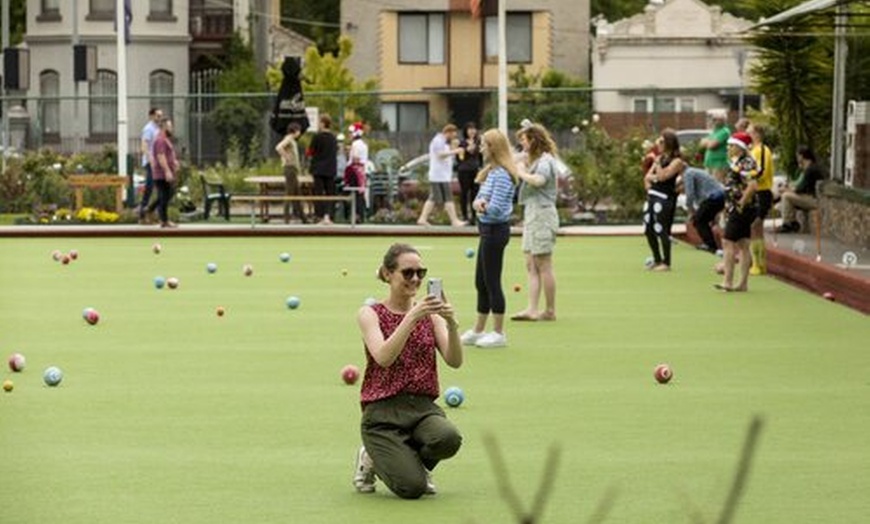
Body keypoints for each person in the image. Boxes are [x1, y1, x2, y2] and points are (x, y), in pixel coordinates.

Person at [352, 243, 463, 499]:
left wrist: (452, 324)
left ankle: (410, 461)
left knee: (448, 438)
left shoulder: (431, 316)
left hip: (422, 409)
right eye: (408, 273)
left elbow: (454, 361)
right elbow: (383, 357)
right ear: (388, 274)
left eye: (420, 273)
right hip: (382, 413)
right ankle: (371, 457)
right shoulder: (370, 314)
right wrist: (411, 317)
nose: (415, 279)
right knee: (412, 489)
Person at [460, 129, 519, 348]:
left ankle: (498, 333)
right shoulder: (492, 173)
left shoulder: (503, 175)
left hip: (495, 231)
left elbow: (495, 208)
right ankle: (478, 329)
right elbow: (480, 199)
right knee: (481, 282)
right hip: (486, 231)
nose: (481, 148)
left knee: (492, 282)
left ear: (493, 148)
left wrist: (481, 207)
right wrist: (480, 204)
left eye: (484, 144)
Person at [510, 123, 559, 322]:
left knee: (543, 264)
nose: (521, 143)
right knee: (531, 264)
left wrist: (521, 172)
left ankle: (549, 310)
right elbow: (511, 159)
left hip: (543, 215)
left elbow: (539, 181)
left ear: (533, 140)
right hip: (532, 214)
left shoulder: (546, 161)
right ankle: (531, 309)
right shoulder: (533, 159)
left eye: (524, 139)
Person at [716, 132, 759, 292]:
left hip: (742, 208)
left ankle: (728, 281)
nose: (729, 148)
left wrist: (741, 202)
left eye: (732, 145)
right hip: (735, 208)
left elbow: (753, 185)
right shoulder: (738, 161)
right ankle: (742, 283)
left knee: (728, 242)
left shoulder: (747, 162)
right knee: (743, 243)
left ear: (740, 147)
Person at [642, 129, 684, 271]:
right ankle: (657, 259)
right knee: (649, 229)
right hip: (652, 196)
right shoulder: (660, 158)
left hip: (664, 198)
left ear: (668, 143)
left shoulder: (676, 161)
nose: (658, 144)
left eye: (661, 141)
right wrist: (654, 178)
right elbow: (647, 177)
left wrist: (658, 167)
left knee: (661, 229)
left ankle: (666, 262)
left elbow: (662, 177)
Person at [417, 124, 466, 227]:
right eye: (453, 135)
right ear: (448, 132)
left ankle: (423, 218)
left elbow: (446, 153)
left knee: (434, 198)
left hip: (443, 175)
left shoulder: (444, 142)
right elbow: (440, 155)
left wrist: (453, 147)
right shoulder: (438, 141)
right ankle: (454, 220)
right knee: (448, 197)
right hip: (439, 175)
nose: (453, 137)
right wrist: (455, 151)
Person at [777, 145, 825, 233]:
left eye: (797, 156)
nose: (797, 158)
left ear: (801, 156)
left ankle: (789, 223)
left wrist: (787, 190)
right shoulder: (808, 168)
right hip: (809, 196)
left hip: (813, 199)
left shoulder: (810, 170)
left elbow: (801, 188)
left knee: (786, 196)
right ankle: (791, 222)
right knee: (785, 198)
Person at [748, 123, 775, 275]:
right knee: (756, 229)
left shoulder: (763, 150)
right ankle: (759, 263)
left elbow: (761, 172)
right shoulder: (753, 150)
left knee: (755, 227)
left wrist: (748, 177)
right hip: (756, 192)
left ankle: (758, 264)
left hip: (762, 191)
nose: (748, 135)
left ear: (757, 133)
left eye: (750, 132)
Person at [682, 167, 725, 253]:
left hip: (714, 197)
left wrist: (690, 210)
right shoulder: (694, 171)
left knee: (699, 220)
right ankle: (713, 245)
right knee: (703, 219)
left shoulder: (688, 173)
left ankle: (711, 246)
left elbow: (690, 195)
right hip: (720, 196)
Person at [307, 114, 338, 225]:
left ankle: (319, 216)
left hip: (318, 169)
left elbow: (310, 152)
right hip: (330, 169)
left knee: (318, 193)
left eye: (320, 122)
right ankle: (328, 216)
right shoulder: (334, 138)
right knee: (330, 194)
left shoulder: (317, 137)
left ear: (323, 123)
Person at [275, 122, 307, 224]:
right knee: (289, 193)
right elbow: (279, 147)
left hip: (293, 169)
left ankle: (303, 217)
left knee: (297, 193)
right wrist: (286, 156)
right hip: (290, 168)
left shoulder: (292, 140)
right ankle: (286, 218)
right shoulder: (289, 138)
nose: (300, 133)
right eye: (299, 131)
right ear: (295, 130)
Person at [152, 118, 180, 229]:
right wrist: (167, 171)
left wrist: (175, 162)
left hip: (166, 173)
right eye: (169, 126)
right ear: (164, 127)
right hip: (161, 174)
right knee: (165, 196)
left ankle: (161, 217)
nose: (171, 128)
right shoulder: (160, 140)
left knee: (167, 195)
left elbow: (168, 154)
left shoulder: (165, 139)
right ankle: (164, 220)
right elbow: (160, 156)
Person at [138, 107, 162, 224]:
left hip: (157, 163)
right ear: (152, 116)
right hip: (151, 163)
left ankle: (151, 213)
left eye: (160, 116)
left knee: (158, 188)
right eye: (158, 116)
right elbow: (144, 146)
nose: (159, 118)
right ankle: (143, 215)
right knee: (149, 187)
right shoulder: (148, 129)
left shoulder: (157, 128)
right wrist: (150, 159)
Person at [456, 122, 483, 225]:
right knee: (464, 192)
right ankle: (464, 216)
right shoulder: (462, 143)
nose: (472, 131)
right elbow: (459, 158)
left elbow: (481, 157)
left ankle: (474, 216)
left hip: (475, 170)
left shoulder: (478, 142)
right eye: (469, 129)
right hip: (464, 170)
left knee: (475, 192)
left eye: (474, 129)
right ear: (466, 131)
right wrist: (466, 150)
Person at [344, 123, 368, 223]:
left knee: (353, 192)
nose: (349, 135)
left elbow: (355, 158)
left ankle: (355, 215)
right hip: (361, 171)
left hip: (354, 171)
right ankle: (360, 215)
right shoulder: (364, 144)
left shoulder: (355, 144)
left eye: (350, 133)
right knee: (360, 193)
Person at [701, 110, 731, 182]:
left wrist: (708, 143)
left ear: (723, 120)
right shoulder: (714, 131)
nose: (714, 121)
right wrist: (708, 143)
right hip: (709, 163)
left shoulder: (724, 131)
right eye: (713, 119)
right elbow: (702, 143)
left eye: (716, 119)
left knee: (717, 185)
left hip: (719, 164)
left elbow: (712, 145)